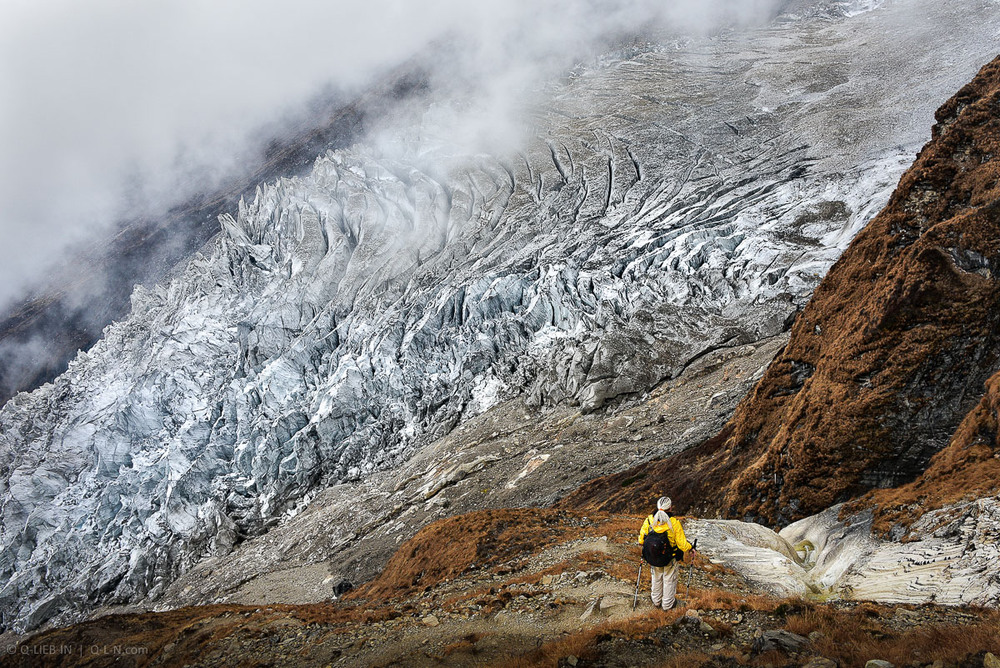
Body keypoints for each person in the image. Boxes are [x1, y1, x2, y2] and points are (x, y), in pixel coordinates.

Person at [637, 496, 692, 610]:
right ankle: (667, 605)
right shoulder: (674, 523)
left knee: (656, 578)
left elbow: (641, 540)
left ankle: (656, 601)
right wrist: (691, 547)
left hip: (653, 556)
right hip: (669, 557)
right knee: (669, 580)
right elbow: (682, 544)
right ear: (670, 508)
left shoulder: (649, 520)